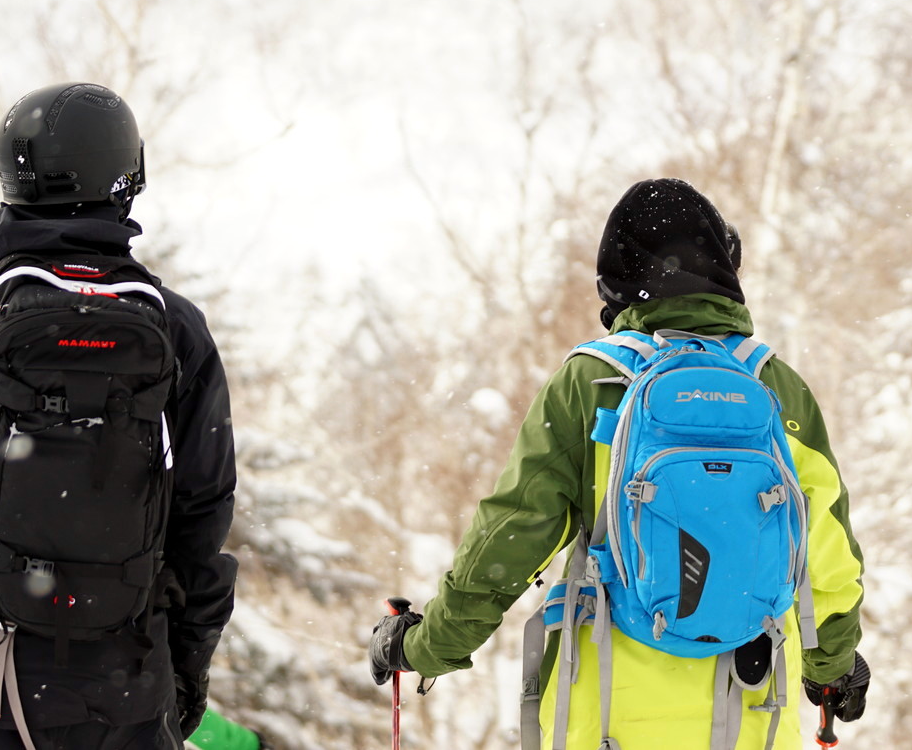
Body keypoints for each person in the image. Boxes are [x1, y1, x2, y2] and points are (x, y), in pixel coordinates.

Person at [369, 179, 867, 748]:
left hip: (606, 705)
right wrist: (832, 668)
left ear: (617, 281)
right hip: (749, 706)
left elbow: (510, 536)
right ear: (727, 271)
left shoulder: (591, 382)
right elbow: (826, 554)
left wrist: (427, 644)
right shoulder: (774, 387)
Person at [0, 82, 238, 749]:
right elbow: (205, 518)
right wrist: (183, 672)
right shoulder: (176, 326)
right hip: (131, 680)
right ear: (125, 177)